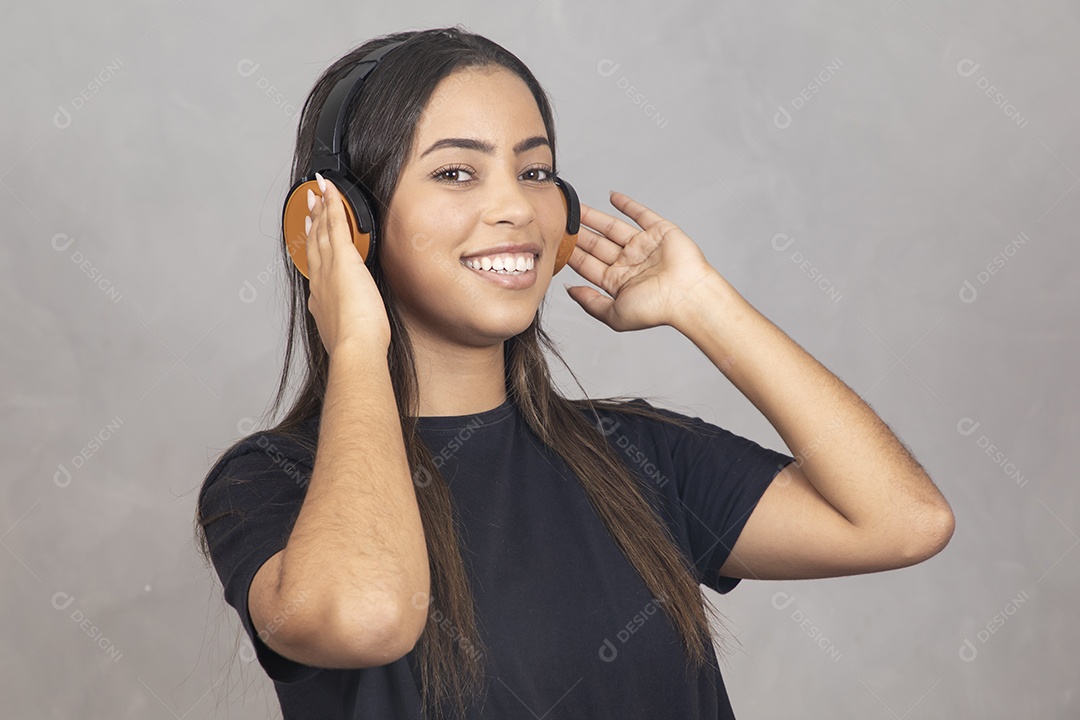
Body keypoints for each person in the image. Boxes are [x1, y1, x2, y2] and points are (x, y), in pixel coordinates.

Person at [194, 25, 955, 720]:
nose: (517, 210)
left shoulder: (635, 455)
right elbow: (367, 614)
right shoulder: (269, 482)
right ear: (341, 219)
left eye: (535, 172)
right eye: (457, 173)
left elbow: (903, 521)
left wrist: (703, 304)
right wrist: (357, 341)